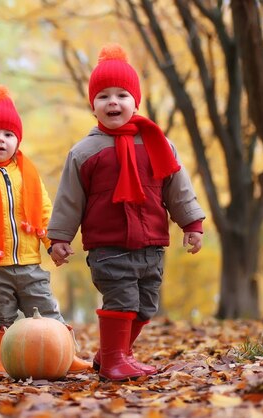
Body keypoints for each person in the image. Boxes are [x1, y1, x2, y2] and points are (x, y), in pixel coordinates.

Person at [47, 44, 205, 381]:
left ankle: (110, 355)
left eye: (122, 95)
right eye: (103, 96)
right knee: (122, 301)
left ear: (136, 101)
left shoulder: (157, 143)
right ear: (93, 106)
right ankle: (116, 360)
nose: (113, 102)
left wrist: (191, 223)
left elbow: (177, 188)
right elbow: (69, 199)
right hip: (109, 245)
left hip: (150, 243)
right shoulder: (85, 151)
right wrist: (59, 237)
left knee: (146, 306)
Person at [0, 85, 92, 377]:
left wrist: (54, 242)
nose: (1, 140)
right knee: (0, 314)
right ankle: (2, 358)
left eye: (8, 135)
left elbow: (45, 212)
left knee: (46, 309)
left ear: (17, 141)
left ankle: (66, 354)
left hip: (28, 262)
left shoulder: (28, 174)